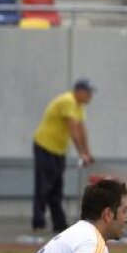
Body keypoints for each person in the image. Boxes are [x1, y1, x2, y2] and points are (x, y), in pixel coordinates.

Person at [32, 79, 96, 234]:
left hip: (58, 150)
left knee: (57, 186)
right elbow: (73, 130)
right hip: (45, 146)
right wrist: (82, 153)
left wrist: (88, 153)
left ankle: (59, 224)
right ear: (79, 91)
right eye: (88, 93)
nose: (90, 96)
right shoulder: (68, 101)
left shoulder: (78, 106)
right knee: (44, 185)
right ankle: (38, 222)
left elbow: (82, 130)